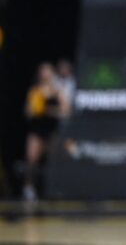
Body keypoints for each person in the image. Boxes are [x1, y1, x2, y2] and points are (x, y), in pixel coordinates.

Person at [23, 61, 69, 201]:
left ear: (52, 73)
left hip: (52, 130)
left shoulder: (58, 90)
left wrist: (47, 110)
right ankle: (28, 188)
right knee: (31, 159)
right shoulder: (35, 90)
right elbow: (27, 112)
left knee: (54, 160)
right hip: (37, 129)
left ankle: (55, 188)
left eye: (47, 71)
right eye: (43, 71)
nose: (45, 74)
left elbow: (66, 111)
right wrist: (33, 110)